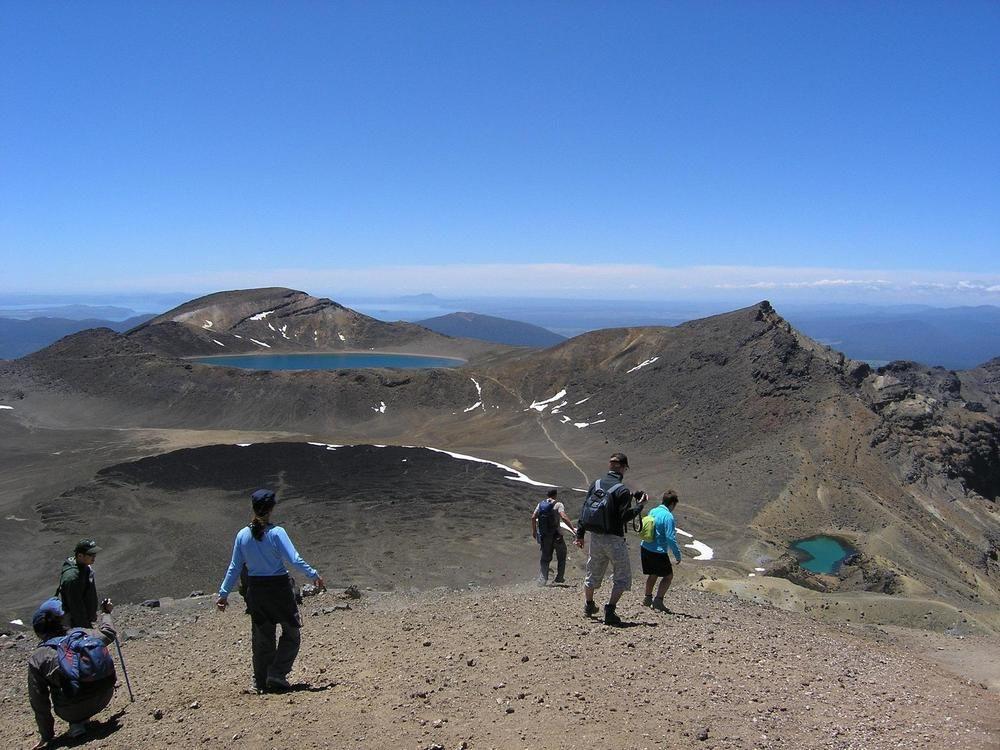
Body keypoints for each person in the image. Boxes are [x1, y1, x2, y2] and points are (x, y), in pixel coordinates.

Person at [217, 489, 324, 693]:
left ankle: (260, 681)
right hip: (279, 589)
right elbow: (294, 559)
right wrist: (314, 575)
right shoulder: (276, 533)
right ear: (272, 508)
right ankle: (276, 673)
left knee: (262, 637)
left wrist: (223, 594)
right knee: (291, 633)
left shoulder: (242, 535)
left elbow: (235, 566)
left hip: (256, 591)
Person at [27, 596, 117, 749]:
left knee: (59, 684)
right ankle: (84, 717)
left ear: (39, 632)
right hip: (105, 695)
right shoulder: (80, 633)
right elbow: (108, 633)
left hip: (71, 711)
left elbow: (39, 702)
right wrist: (106, 613)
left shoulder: (38, 657)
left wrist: (46, 736)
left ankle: (76, 724)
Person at [575, 452, 646, 626]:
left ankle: (589, 605)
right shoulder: (621, 490)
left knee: (593, 571)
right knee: (622, 576)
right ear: (623, 468)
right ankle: (610, 609)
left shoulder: (596, 484)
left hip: (596, 537)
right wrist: (640, 506)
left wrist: (580, 534)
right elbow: (623, 517)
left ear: (610, 466)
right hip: (614, 539)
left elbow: (586, 508)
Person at [640, 490, 683, 612]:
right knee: (668, 576)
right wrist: (677, 555)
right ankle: (658, 601)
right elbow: (670, 537)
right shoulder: (668, 516)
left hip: (645, 547)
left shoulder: (653, 510)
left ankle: (647, 599)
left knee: (653, 574)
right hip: (658, 551)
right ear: (673, 504)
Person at [530, 488, 576, 584]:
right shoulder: (558, 504)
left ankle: (543, 579)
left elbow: (533, 517)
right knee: (561, 555)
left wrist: (534, 531)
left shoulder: (540, 504)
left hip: (545, 536)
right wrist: (572, 528)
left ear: (547, 495)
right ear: (555, 495)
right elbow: (563, 516)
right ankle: (559, 578)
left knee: (545, 558)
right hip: (557, 536)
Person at [58, 539, 101, 628]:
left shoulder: (84, 566)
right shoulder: (72, 578)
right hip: (75, 624)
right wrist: (85, 628)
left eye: (94, 554)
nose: (94, 557)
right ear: (80, 556)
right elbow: (76, 607)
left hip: (84, 619)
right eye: (90, 555)